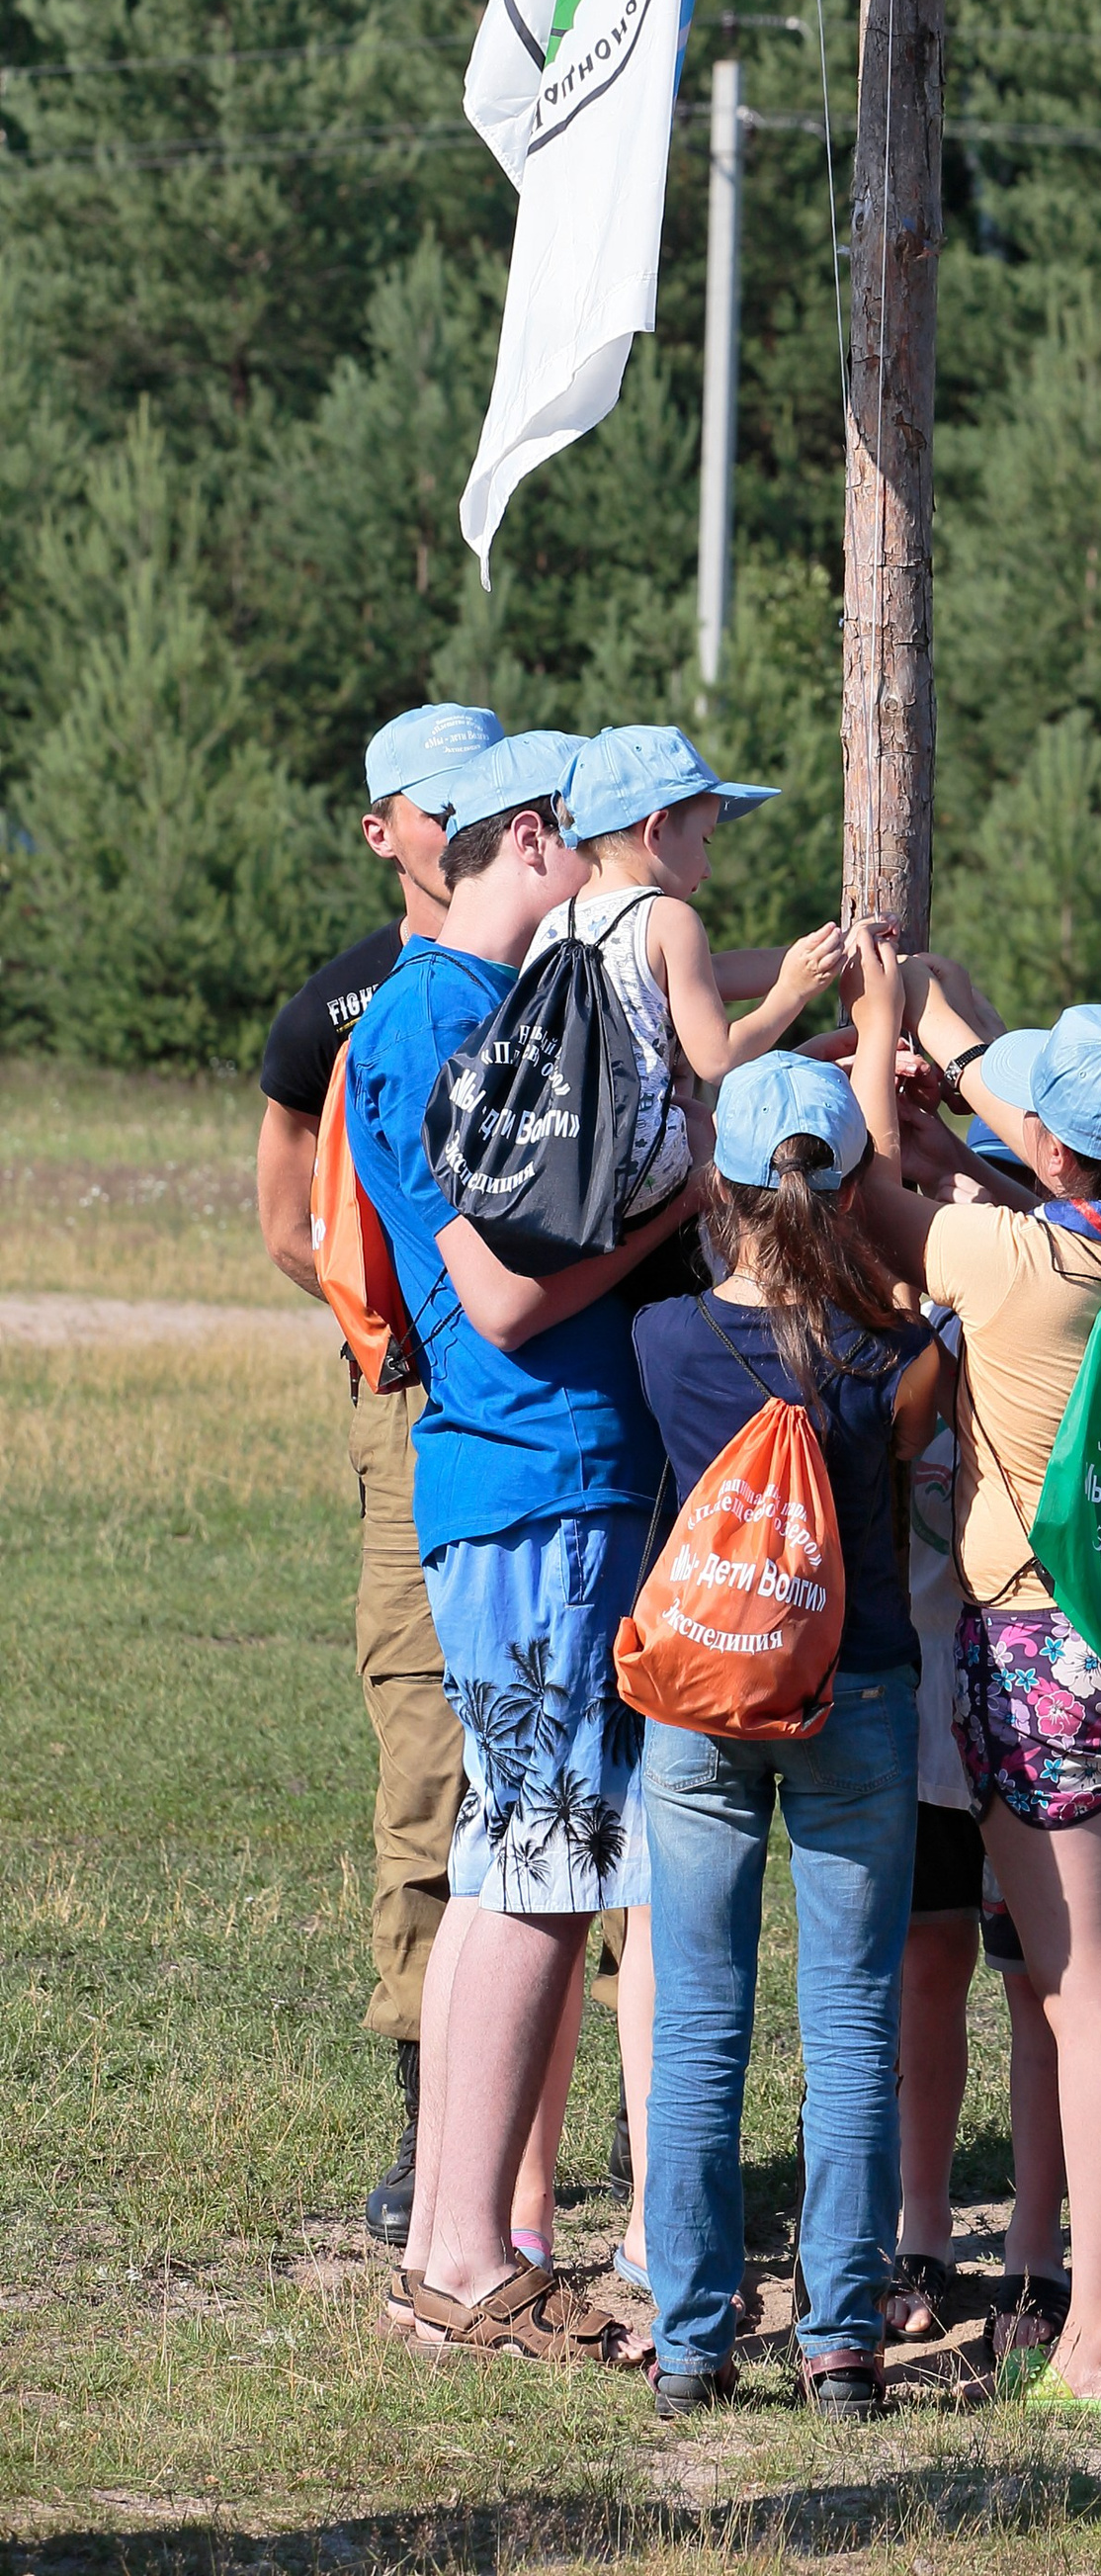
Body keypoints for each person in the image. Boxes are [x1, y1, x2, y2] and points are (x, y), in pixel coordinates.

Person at [344, 728, 699, 2363]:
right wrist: (677, 1210)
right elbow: (491, 1293)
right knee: (549, 1868)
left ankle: (450, 2251)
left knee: (520, 1859)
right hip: (537, 1474)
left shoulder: (461, 1011)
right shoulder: (446, 1018)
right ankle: (480, 2260)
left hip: (533, 1478)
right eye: (583, 836)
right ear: (537, 843)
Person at [851, 994, 1101, 2411]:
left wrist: (889, 1033)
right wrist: (988, 1136)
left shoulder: (1010, 1266)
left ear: (1060, 1149)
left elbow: (875, 1188)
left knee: (1092, 2001)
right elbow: (1023, 1190)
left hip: (1042, 1653)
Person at [632, 1038, 945, 2416]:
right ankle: (842, 2343)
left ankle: (694, 2345)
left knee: (701, 2026)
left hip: (703, 1700)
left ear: (725, 1186)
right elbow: (913, 1430)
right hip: (857, 1687)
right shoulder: (896, 1353)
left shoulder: (661, 1342)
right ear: (855, 1179)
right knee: (853, 2026)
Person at [255, 698, 501, 2240]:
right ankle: (430, 2128)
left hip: (564, 1401)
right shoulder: (339, 1008)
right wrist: (389, 1328)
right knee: (428, 1755)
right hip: (412, 1412)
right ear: (385, 830)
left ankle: (556, 2142)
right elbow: (289, 1218)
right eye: (436, 805)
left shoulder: (547, 977)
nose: (461, 825)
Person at [896, 1394, 1072, 2365]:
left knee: (1039, 1985)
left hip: (1029, 1699)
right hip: (916, 1697)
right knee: (925, 1961)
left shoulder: (1038, 1282)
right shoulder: (890, 1312)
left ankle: (1035, 2247)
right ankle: (922, 2231)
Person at [535, 725, 848, 1226]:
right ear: (656, 830)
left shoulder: (557, 920)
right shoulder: (669, 919)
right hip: (637, 1168)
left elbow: (708, 976)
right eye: (705, 841)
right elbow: (717, 1059)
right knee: (707, 1121)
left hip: (562, 1156)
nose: (708, 869)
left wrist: (813, 954)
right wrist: (792, 992)